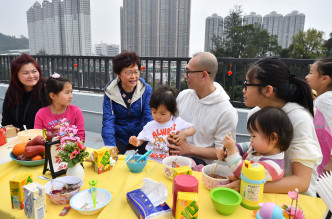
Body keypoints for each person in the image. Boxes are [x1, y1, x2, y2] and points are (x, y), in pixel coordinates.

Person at [223, 57, 322, 196]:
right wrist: (231, 151)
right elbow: (253, 147)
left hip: (292, 202)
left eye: (247, 84)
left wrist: (248, 184)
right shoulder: (257, 112)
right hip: (258, 193)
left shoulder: (299, 118)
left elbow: (301, 182)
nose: (244, 90)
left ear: (267, 90)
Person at [167, 52, 238, 165]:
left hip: (201, 166)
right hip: (174, 156)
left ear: (204, 75)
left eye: (188, 72)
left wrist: (189, 149)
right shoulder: (184, 95)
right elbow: (171, 123)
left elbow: (224, 152)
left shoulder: (226, 111)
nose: (185, 76)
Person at [217, 106, 293, 182]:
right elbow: (238, 148)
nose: (251, 139)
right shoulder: (255, 148)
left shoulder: (273, 166)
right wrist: (226, 152)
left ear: (273, 138)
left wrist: (232, 150)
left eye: (253, 136)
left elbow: (243, 172)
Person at [102, 51, 153, 154]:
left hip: (140, 135)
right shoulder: (110, 91)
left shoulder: (145, 89)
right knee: (112, 159)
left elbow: (148, 116)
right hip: (119, 136)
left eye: (136, 72)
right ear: (118, 74)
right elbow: (108, 121)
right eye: (128, 72)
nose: (133, 76)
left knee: (152, 158)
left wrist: (154, 139)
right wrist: (111, 147)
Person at [129, 86, 196, 163]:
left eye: (162, 113)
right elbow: (141, 139)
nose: (157, 116)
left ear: (172, 111)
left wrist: (184, 133)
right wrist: (136, 141)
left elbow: (193, 129)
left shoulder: (177, 121)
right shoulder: (150, 126)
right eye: (154, 112)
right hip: (152, 161)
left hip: (172, 161)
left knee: (190, 163)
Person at [34, 73, 85, 141]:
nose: (71, 96)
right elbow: (38, 137)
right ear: (52, 96)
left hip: (71, 149)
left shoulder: (76, 111)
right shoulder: (41, 114)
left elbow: (81, 136)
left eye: (71, 92)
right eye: (67, 93)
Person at [1, 53, 46, 130]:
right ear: (16, 75)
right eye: (25, 73)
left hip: (41, 137)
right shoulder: (12, 91)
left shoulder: (46, 89)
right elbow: (6, 121)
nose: (31, 76)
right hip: (17, 138)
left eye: (34, 71)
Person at [305, 58, 332, 176]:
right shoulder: (322, 99)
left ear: (324, 79)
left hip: (327, 167)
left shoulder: (325, 100)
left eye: (311, 73)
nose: (306, 77)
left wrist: (331, 162)